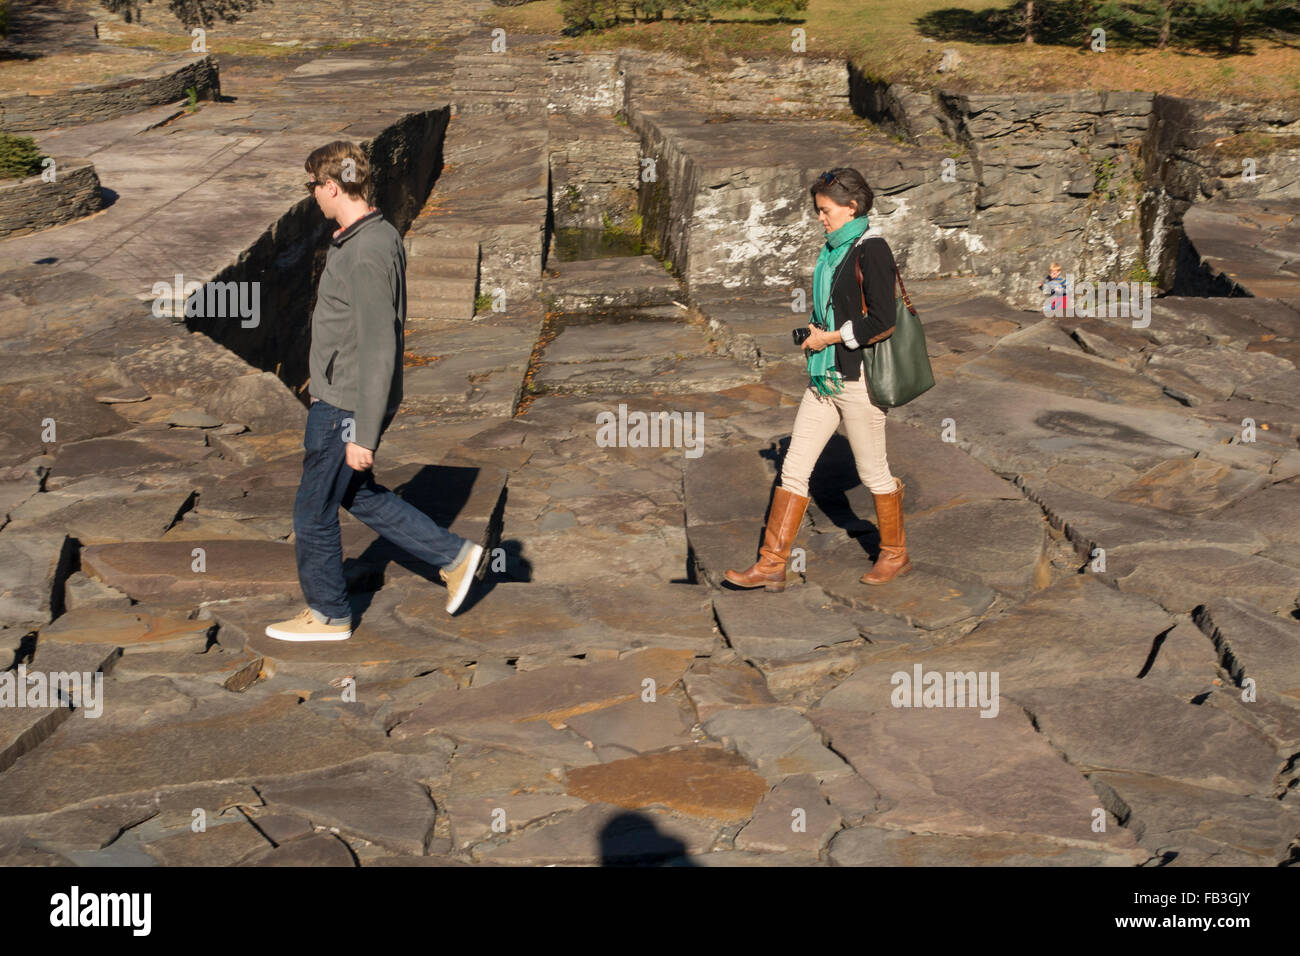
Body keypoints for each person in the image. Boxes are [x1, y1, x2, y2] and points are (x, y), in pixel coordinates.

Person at [265, 141, 487, 642]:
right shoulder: (371, 234)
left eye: (312, 188)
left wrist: (363, 433)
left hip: (344, 404)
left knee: (313, 511)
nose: (312, 199)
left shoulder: (366, 252)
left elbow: (379, 345)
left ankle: (328, 614)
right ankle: (454, 557)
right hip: (347, 397)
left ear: (331, 185)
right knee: (356, 494)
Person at [725, 167, 910, 592]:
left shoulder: (872, 249)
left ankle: (895, 554)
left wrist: (830, 336)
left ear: (852, 207)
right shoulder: (832, 252)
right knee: (793, 469)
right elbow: (835, 307)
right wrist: (817, 332)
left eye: (826, 211)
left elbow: (884, 321)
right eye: (818, 211)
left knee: (873, 474)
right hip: (824, 380)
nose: (820, 219)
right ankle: (772, 564)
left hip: (859, 380)